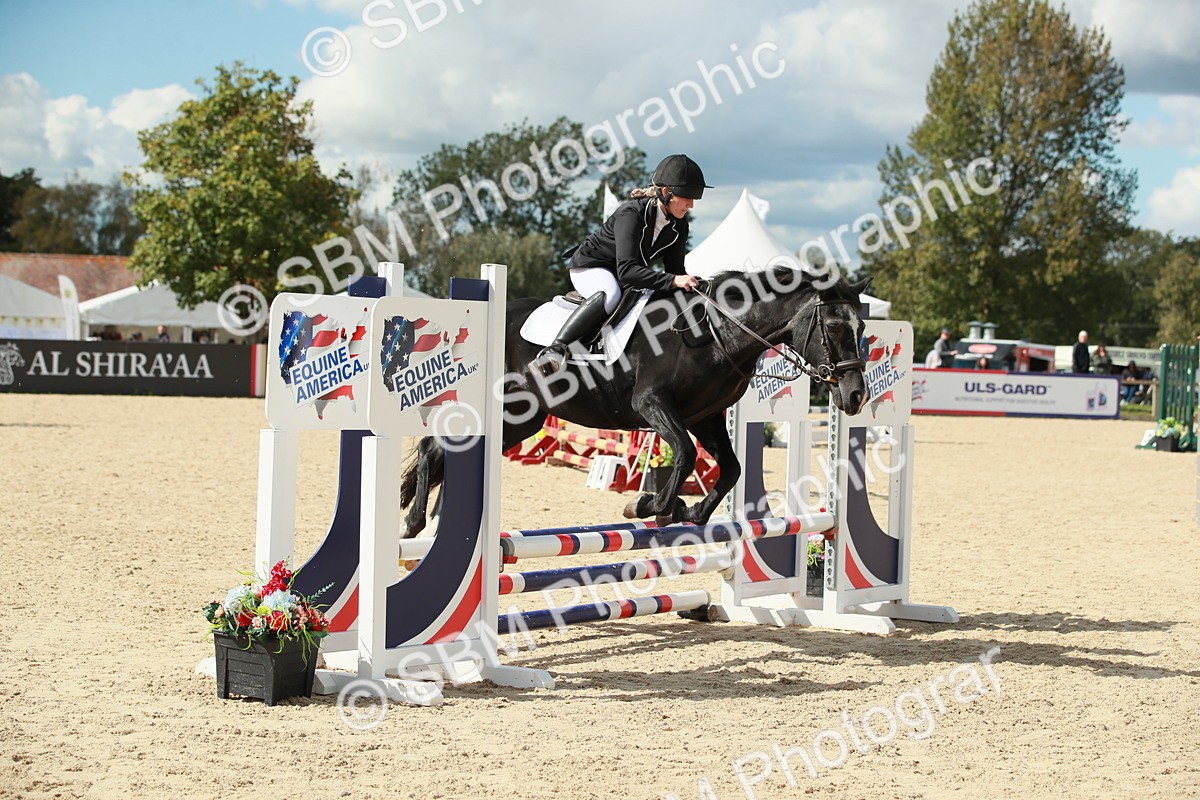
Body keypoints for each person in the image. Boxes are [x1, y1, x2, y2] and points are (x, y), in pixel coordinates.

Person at [530, 154, 709, 376]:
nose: (690, 205)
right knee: (611, 293)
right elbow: (627, 271)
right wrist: (673, 280)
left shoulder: (679, 226)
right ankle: (556, 349)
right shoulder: (631, 213)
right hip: (591, 267)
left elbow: (675, 272)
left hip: (624, 273)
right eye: (687, 198)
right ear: (666, 192)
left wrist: (692, 285)